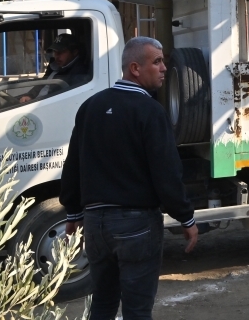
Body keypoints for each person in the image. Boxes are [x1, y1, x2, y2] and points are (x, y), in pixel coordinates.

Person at [60, 37, 198, 320]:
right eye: (157, 61)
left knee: (102, 304)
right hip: (137, 226)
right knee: (137, 311)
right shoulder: (150, 111)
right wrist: (186, 218)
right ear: (135, 68)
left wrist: (73, 211)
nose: (163, 68)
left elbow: (73, 164)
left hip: (96, 226)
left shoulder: (90, 107)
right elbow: (167, 173)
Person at [18, 33, 91, 103]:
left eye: (61, 52)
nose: (56, 56)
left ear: (74, 52)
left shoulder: (80, 73)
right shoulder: (55, 66)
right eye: (55, 52)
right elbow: (42, 83)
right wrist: (30, 95)